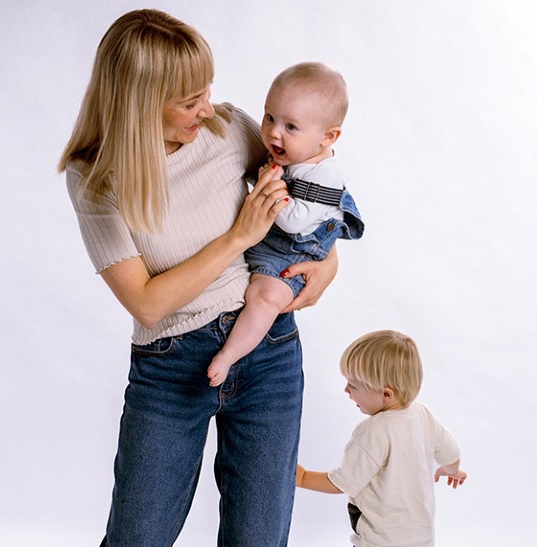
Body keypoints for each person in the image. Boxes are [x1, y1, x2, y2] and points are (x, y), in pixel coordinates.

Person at [58, 9, 339, 546]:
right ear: (139, 103)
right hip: (171, 365)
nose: (208, 109)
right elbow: (145, 303)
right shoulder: (96, 177)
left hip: (269, 351)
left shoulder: (231, 129)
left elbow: (315, 197)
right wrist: (237, 237)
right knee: (137, 537)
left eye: (206, 91)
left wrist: (327, 265)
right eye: (190, 101)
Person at [208, 62, 364, 387]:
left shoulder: (323, 176)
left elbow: (293, 223)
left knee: (265, 298)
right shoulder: (292, 156)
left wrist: (269, 185)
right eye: (269, 117)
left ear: (328, 137)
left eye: (290, 127)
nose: (274, 132)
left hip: (289, 256)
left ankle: (229, 355)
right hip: (265, 242)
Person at [296, 330, 467, 547]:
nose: (346, 390)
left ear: (386, 394)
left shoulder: (373, 431)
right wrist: (452, 470)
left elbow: (344, 482)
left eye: (353, 386)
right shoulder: (423, 414)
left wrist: (302, 478)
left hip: (380, 540)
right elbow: (451, 452)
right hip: (421, 538)